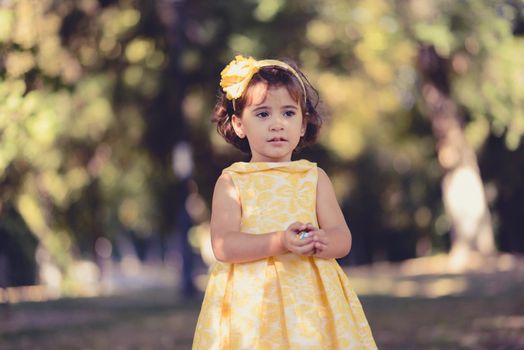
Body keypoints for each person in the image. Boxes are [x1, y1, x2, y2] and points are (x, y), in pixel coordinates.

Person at [192, 55, 376, 349]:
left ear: (303, 124)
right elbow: (223, 246)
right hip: (252, 303)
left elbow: (342, 238)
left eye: (288, 114)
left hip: (309, 298)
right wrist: (281, 241)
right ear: (239, 124)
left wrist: (321, 239)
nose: (277, 124)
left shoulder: (313, 177)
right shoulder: (233, 181)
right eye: (263, 114)